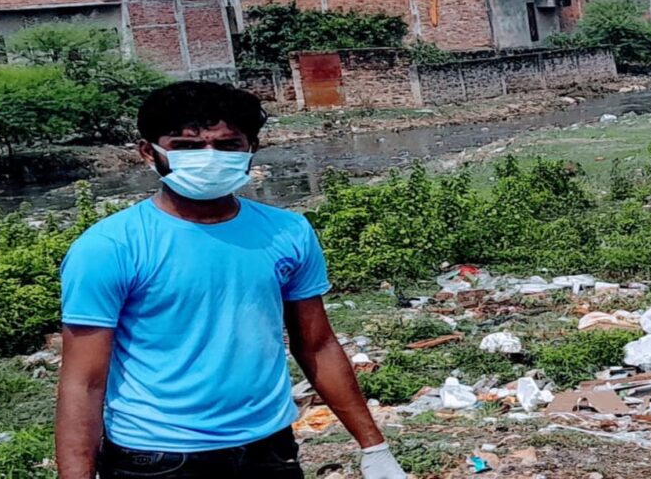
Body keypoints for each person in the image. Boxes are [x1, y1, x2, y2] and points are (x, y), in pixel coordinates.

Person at [55, 82, 408, 479]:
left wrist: (374, 447)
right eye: (186, 147)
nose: (209, 158)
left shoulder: (286, 232)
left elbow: (317, 345)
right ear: (147, 152)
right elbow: (83, 381)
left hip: (269, 448)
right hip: (158, 458)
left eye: (227, 145)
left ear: (251, 148)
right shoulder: (109, 247)